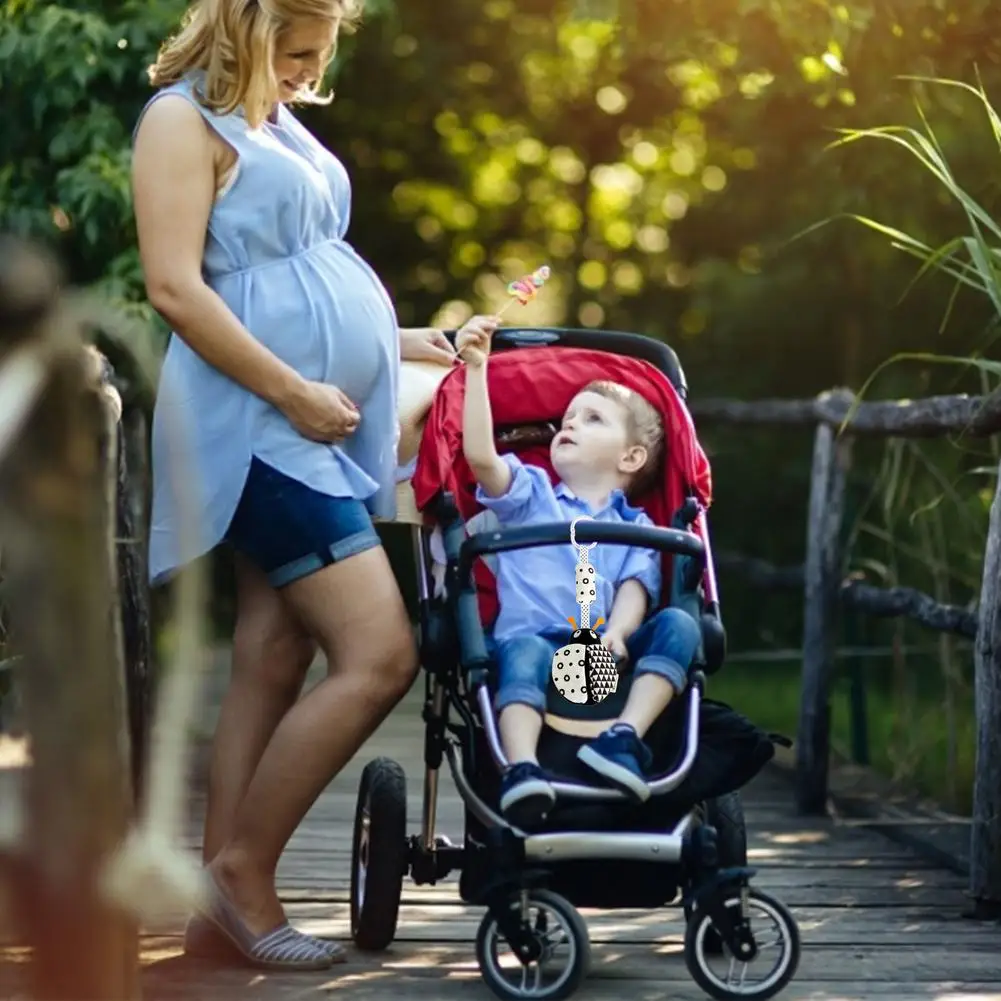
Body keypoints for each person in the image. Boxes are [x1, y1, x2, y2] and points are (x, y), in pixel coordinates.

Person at [131, 0, 456, 971]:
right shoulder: (179, 122)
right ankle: (244, 868)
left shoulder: (272, 118)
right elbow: (178, 288)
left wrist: (392, 343)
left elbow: (296, 276)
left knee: (272, 650)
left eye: (323, 51)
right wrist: (297, 392)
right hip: (254, 427)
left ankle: (213, 904)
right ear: (244, 30)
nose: (311, 70)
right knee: (378, 652)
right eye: (297, 52)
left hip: (308, 421)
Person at [455, 315, 703, 829]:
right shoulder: (530, 496)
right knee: (521, 649)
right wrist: (477, 370)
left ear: (632, 457)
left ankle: (623, 738)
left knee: (682, 624)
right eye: (568, 418)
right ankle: (521, 767)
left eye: (592, 419)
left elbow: (636, 589)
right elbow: (481, 457)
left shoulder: (639, 526)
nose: (569, 425)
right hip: (538, 643)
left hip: (605, 649)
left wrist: (618, 631)